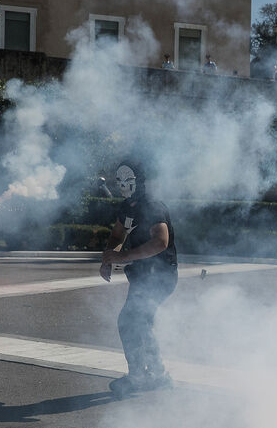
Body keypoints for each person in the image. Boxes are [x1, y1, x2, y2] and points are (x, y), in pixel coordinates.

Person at [100, 160, 178, 397]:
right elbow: (117, 233)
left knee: (130, 321)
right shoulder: (127, 207)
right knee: (140, 324)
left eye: (129, 181)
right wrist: (108, 258)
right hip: (144, 277)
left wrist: (123, 255)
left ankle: (141, 377)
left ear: (140, 181)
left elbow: (160, 242)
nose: (124, 186)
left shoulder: (151, 206)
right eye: (120, 181)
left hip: (159, 276)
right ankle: (156, 375)